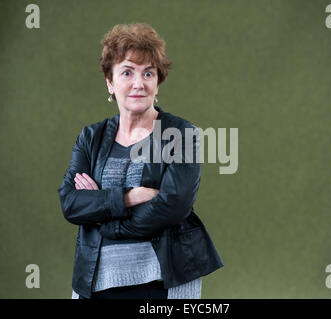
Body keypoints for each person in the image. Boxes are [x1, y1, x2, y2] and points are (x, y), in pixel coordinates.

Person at [57, 23, 223, 299]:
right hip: (97, 279)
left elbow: (173, 206)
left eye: (148, 73)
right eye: (127, 72)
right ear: (110, 83)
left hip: (164, 280)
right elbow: (71, 203)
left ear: (158, 82)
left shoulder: (181, 134)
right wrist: (127, 197)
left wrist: (105, 217)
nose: (139, 83)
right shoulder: (91, 137)